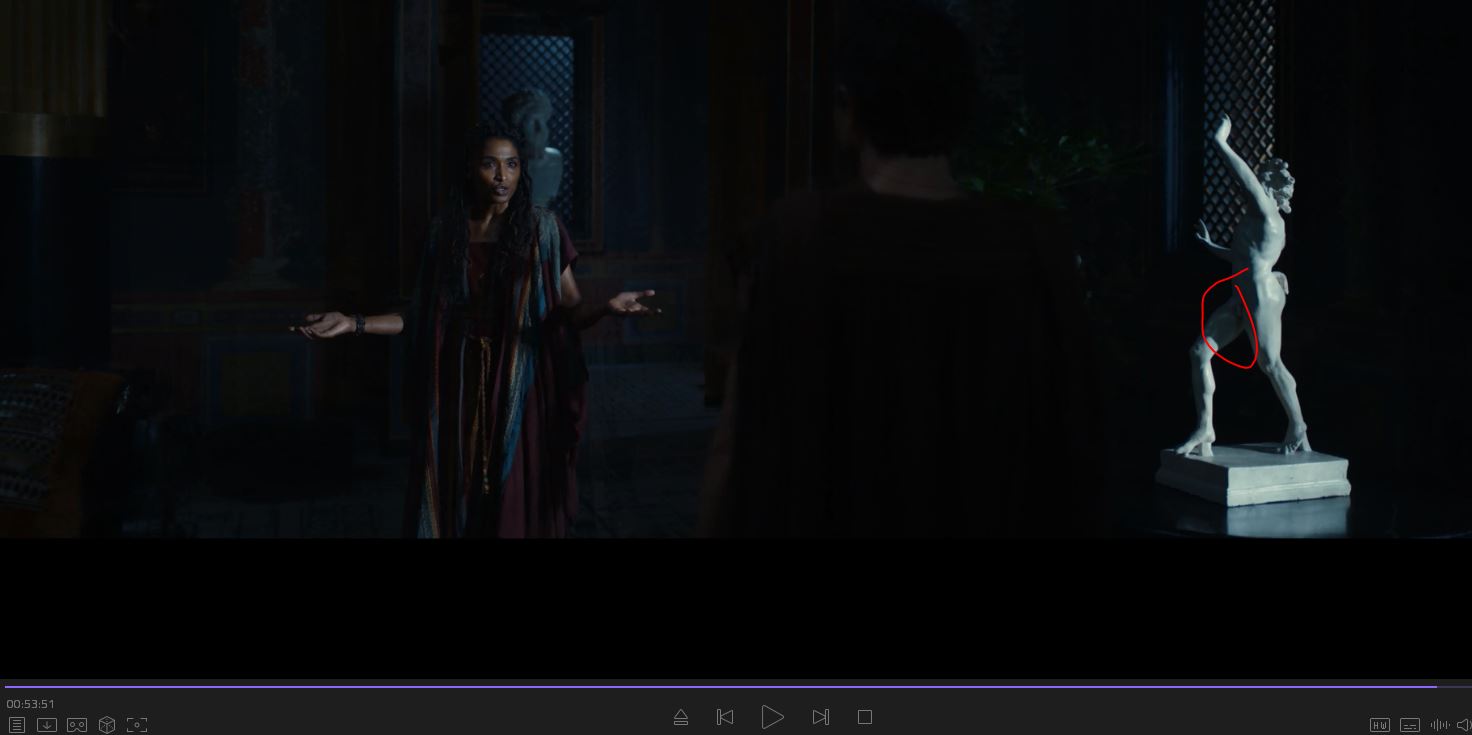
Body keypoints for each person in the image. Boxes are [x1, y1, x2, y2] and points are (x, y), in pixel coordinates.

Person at [698, 2, 1101, 537]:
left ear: (847, 110)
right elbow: (1073, 444)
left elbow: (739, 438)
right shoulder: (1035, 243)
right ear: (964, 110)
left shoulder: (799, 235)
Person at [292, 122, 659, 538]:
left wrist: (606, 308)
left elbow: (567, 313)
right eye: (490, 164)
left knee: (514, 493)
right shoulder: (445, 232)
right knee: (458, 488)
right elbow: (419, 315)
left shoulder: (543, 229)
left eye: (511, 164)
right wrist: (352, 323)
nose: (502, 176)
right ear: (471, 169)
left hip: (520, 381)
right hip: (458, 382)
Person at [1174, 114, 1308, 457]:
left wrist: (1221, 143)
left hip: (1260, 294)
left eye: (1261, 182)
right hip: (1241, 295)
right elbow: (1242, 257)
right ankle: (1205, 427)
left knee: (1270, 363)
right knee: (1199, 353)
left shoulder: (1267, 215)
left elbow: (1244, 179)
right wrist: (1210, 246)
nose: (1255, 186)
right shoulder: (1255, 218)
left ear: (1269, 189)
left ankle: (1298, 425)